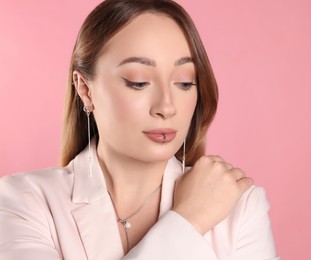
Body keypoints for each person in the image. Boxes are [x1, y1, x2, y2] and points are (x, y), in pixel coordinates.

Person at [0, 0, 279, 259]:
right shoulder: (22, 202)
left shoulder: (241, 208)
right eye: (138, 82)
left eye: (184, 83)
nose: (166, 107)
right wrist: (188, 220)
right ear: (85, 88)